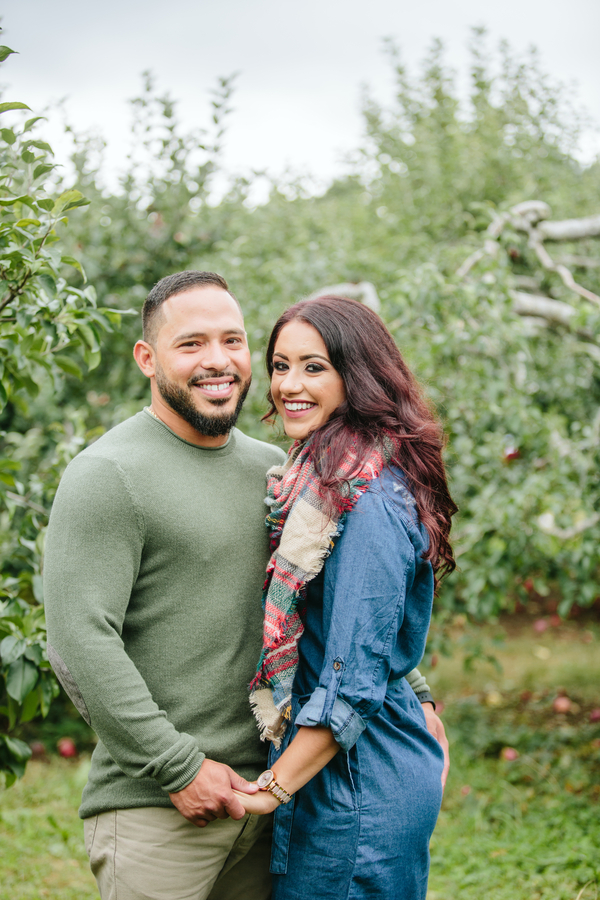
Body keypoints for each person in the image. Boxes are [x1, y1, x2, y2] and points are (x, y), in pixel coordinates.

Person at [43, 271, 446, 900]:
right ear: (147, 359)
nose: (217, 361)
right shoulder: (107, 474)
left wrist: (414, 691)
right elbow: (78, 641)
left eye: (232, 340)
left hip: (275, 798)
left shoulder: (280, 469)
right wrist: (177, 768)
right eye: (191, 344)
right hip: (162, 806)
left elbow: (335, 595)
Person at [237, 295, 457, 900]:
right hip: (333, 776)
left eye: (314, 367)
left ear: (355, 376)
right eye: (280, 366)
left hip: (360, 782)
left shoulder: (367, 500)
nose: (288, 384)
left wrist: (270, 788)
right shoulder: (317, 480)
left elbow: (352, 679)